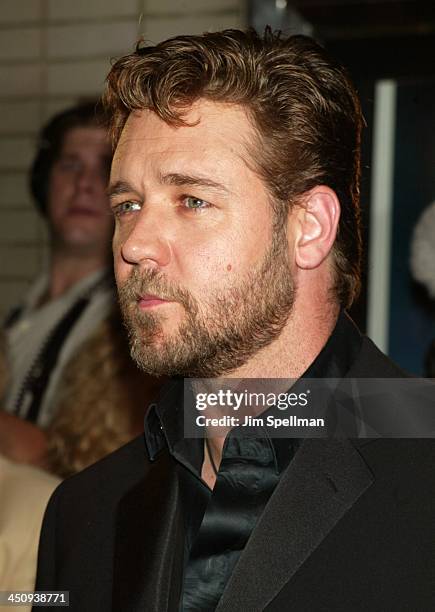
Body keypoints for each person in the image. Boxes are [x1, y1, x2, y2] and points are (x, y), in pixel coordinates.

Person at [35, 29, 435, 611]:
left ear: (310, 227)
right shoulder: (82, 514)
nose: (135, 243)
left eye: (192, 200)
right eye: (128, 205)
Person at [1, 102, 115, 464]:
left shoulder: (124, 326)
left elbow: (76, 464)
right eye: (70, 165)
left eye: (105, 168)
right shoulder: (24, 309)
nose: (84, 184)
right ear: (43, 182)